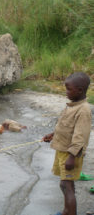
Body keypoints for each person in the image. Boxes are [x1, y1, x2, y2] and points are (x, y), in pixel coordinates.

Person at [43, 72, 92, 215]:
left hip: (70, 154)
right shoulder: (71, 106)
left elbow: (80, 136)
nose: (66, 92)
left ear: (80, 90)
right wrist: (53, 135)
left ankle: (70, 213)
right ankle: (67, 211)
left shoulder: (83, 110)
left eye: (69, 89)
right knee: (65, 184)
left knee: (67, 185)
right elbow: (65, 126)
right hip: (62, 150)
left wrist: (72, 156)